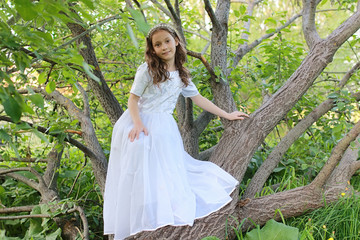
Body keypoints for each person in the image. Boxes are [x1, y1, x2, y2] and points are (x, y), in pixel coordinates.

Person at [103, 23, 249, 240]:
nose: (163, 47)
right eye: (158, 44)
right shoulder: (148, 70)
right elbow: (132, 100)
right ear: (152, 49)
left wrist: (226, 114)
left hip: (164, 126)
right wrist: (137, 124)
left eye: (167, 41)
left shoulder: (182, 75)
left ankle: (159, 207)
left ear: (176, 41)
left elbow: (198, 99)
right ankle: (138, 212)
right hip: (140, 120)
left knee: (165, 167)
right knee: (139, 158)